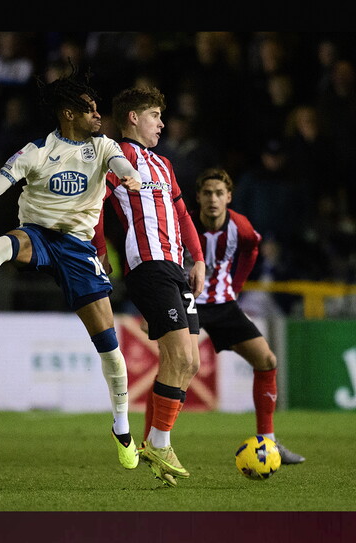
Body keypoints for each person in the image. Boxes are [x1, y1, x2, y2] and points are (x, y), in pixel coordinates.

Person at [0, 66, 145, 471]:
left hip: (78, 248)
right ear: (68, 114)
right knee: (8, 242)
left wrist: (131, 178)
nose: (98, 115)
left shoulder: (104, 147)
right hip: (38, 235)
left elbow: (124, 165)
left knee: (109, 347)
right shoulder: (35, 152)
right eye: (89, 109)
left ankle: (121, 427)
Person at [92, 85, 206, 487]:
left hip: (175, 267)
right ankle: (159, 443)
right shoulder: (117, 157)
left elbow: (182, 214)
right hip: (148, 265)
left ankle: (155, 443)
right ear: (133, 117)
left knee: (190, 362)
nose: (161, 123)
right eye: (155, 115)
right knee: (178, 354)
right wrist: (101, 251)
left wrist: (198, 259)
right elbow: (95, 204)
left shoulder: (164, 164)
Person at [190, 167, 306, 465]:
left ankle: (268, 442)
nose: (213, 199)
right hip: (188, 303)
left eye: (219, 193)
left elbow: (252, 249)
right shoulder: (183, 224)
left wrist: (237, 286)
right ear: (198, 197)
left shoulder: (239, 226)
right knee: (175, 370)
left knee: (266, 360)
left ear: (229, 197)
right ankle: (154, 443)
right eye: (207, 193)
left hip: (224, 305)